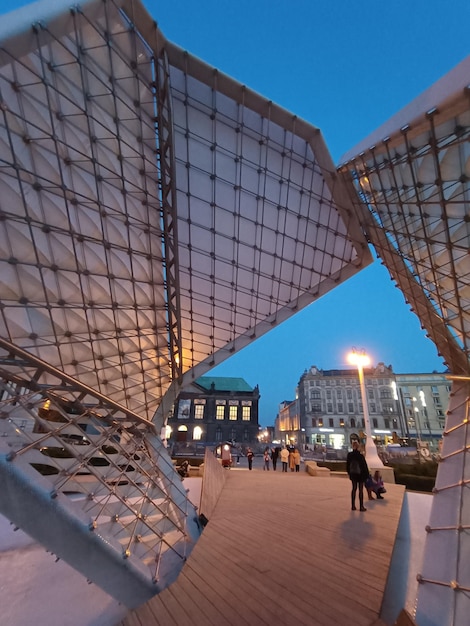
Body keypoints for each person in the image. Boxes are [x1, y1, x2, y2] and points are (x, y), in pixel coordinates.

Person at [346, 441, 369, 511]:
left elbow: (347, 465)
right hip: (360, 475)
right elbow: (364, 466)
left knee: (354, 489)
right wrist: (366, 475)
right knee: (360, 490)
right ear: (358, 447)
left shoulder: (349, 455)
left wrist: (349, 473)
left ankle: (353, 506)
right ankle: (361, 506)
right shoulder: (360, 456)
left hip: (353, 474)